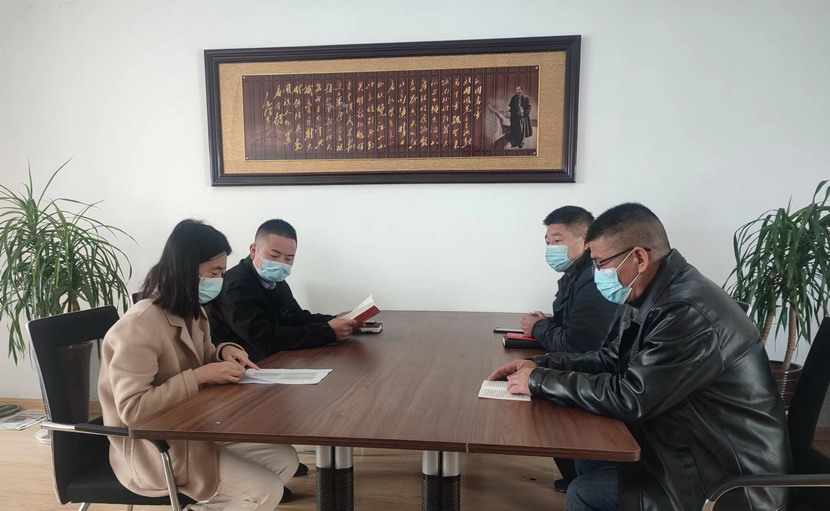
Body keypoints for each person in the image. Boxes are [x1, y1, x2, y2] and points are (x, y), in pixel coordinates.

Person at [489, 203, 790, 511]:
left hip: (724, 477)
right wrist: (540, 365)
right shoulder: (647, 292)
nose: (597, 274)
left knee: (584, 492)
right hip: (681, 443)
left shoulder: (687, 311)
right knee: (589, 457)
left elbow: (632, 398)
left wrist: (540, 381)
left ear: (639, 258)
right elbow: (610, 359)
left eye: (601, 264)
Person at [98, 219, 299, 510]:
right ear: (186, 268)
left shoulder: (193, 312)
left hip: (193, 429)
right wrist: (199, 376)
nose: (219, 280)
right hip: (155, 448)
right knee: (265, 489)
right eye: (214, 272)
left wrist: (225, 352)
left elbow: (204, 356)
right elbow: (132, 410)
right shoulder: (137, 327)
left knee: (284, 459)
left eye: (222, 272)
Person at [519, 206, 622, 494]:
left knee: (538, 390)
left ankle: (580, 480)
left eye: (557, 240)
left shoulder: (593, 278)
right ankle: (575, 476)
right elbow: (572, 325)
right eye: (547, 241)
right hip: (590, 366)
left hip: (595, 371)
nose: (551, 248)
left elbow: (578, 345)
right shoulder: (575, 274)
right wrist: (546, 324)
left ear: (585, 240)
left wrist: (539, 329)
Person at [212, 219, 356, 363]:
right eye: (274, 256)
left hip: (278, 359)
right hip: (247, 364)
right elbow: (264, 338)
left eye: (289, 258)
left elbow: (296, 318)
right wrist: (327, 331)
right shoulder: (235, 287)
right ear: (253, 251)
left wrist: (336, 319)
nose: (281, 264)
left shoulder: (274, 278)